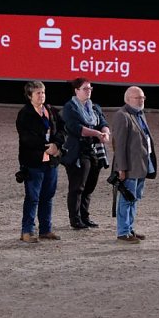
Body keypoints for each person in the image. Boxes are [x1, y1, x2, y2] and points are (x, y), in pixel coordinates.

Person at [110, 87, 157, 244]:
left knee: (134, 198)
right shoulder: (122, 116)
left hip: (141, 165)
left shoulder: (139, 114)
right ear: (128, 99)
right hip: (130, 166)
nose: (141, 100)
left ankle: (129, 229)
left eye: (142, 97)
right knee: (126, 198)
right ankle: (123, 232)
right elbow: (119, 145)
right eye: (137, 98)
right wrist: (121, 168)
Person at [16, 80, 62, 243]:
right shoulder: (24, 114)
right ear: (30, 96)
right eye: (37, 93)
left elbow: (61, 130)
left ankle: (45, 229)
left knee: (48, 196)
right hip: (33, 162)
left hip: (51, 161)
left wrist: (56, 145)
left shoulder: (51, 111)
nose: (41, 96)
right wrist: (46, 147)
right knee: (32, 197)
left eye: (43, 92)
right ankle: (27, 231)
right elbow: (26, 138)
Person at [61, 77, 109, 230]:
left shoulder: (95, 107)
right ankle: (75, 219)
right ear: (76, 90)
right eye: (85, 89)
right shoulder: (70, 108)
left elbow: (103, 123)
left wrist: (105, 133)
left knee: (89, 186)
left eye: (90, 88)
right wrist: (96, 133)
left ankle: (85, 216)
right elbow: (75, 128)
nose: (89, 91)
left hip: (94, 150)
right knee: (77, 186)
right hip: (77, 151)